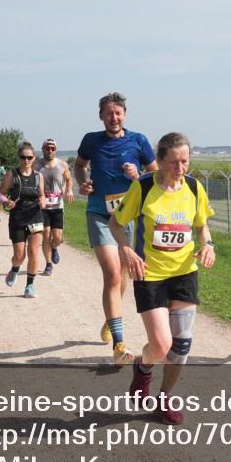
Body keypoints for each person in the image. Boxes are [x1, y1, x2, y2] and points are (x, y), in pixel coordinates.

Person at [110, 132, 215, 425]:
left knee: (181, 345)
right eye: (174, 163)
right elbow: (116, 223)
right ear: (159, 160)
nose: (180, 169)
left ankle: (164, 398)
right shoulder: (142, 188)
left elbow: (202, 227)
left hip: (184, 273)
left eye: (185, 162)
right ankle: (143, 369)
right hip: (150, 274)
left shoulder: (194, 188)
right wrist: (126, 249)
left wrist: (208, 245)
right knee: (160, 345)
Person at [75, 92, 157, 365]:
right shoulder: (91, 140)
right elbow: (80, 166)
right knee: (112, 274)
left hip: (127, 217)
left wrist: (138, 175)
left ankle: (111, 320)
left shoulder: (139, 140)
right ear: (101, 116)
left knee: (123, 277)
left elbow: (155, 176)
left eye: (118, 113)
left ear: (125, 114)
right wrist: (83, 183)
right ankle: (120, 344)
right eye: (109, 113)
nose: (114, 117)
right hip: (99, 213)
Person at [0, 142, 46, 298]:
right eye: (23, 157)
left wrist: (42, 201)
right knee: (19, 256)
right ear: (19, 158)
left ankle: (29, 286)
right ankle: (15, 269)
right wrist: (5, 202)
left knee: (34, 253)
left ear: (34, 158)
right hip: (17, 217)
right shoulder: (12, 174)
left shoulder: (38, 176)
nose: (26, 160)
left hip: (35, 216)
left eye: (29, 157)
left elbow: (42, 195)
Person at [37, 139, 74, 275]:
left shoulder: (62, 164)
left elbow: (69, 179)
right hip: (43, 205)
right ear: (43, 149)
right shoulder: (37, 165)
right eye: (47, 148)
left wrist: (69, 190)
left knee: (57, 237)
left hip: (58, 205)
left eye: (52, 148)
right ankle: (48, 264)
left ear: (56, 150)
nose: (50, 150)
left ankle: (54, 247)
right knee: (46, 234)